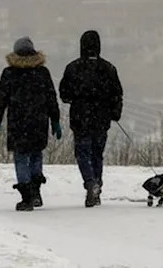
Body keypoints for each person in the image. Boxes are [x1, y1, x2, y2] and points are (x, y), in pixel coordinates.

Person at [0, 36, 62, 212]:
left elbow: (1, 99)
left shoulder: (9, 73)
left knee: (21, 157)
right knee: (36, 154)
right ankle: (36, 191)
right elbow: (51, 98)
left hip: (18, 122)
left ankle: (26, 196)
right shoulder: (42, 72)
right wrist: (55, 120)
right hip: (39, 121)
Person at [58, 29, 123, 207]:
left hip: (80, 117)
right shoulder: (109, 68)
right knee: (97, 154)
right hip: (102, 118)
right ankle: (97, 185)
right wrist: (115, 112)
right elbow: (117, 93)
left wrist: (76, 97)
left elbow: (64, 94)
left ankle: (90, 182)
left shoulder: (73, 67)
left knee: (82, 153)